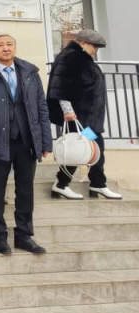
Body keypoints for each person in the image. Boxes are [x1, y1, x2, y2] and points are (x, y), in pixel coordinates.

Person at [0, 34, 53, 255]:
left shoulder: (29, 72)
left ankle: (24, 235)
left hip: (26, 140)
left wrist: (45, 141)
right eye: (0, 45)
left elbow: (41, 108)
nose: (6, 48)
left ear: (15, 47)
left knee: (25, 190)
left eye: (9, 44)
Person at [47, 29, 121, 200]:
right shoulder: (72, 57)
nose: (96, 51)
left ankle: (70, 184)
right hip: (81, 117)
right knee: (89, 148)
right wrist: (68, 111)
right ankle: (91, 184)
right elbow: (61, 86)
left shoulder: (79, 57)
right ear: (83, 43)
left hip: (87, 117)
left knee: (85, 149)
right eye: (94, 47)